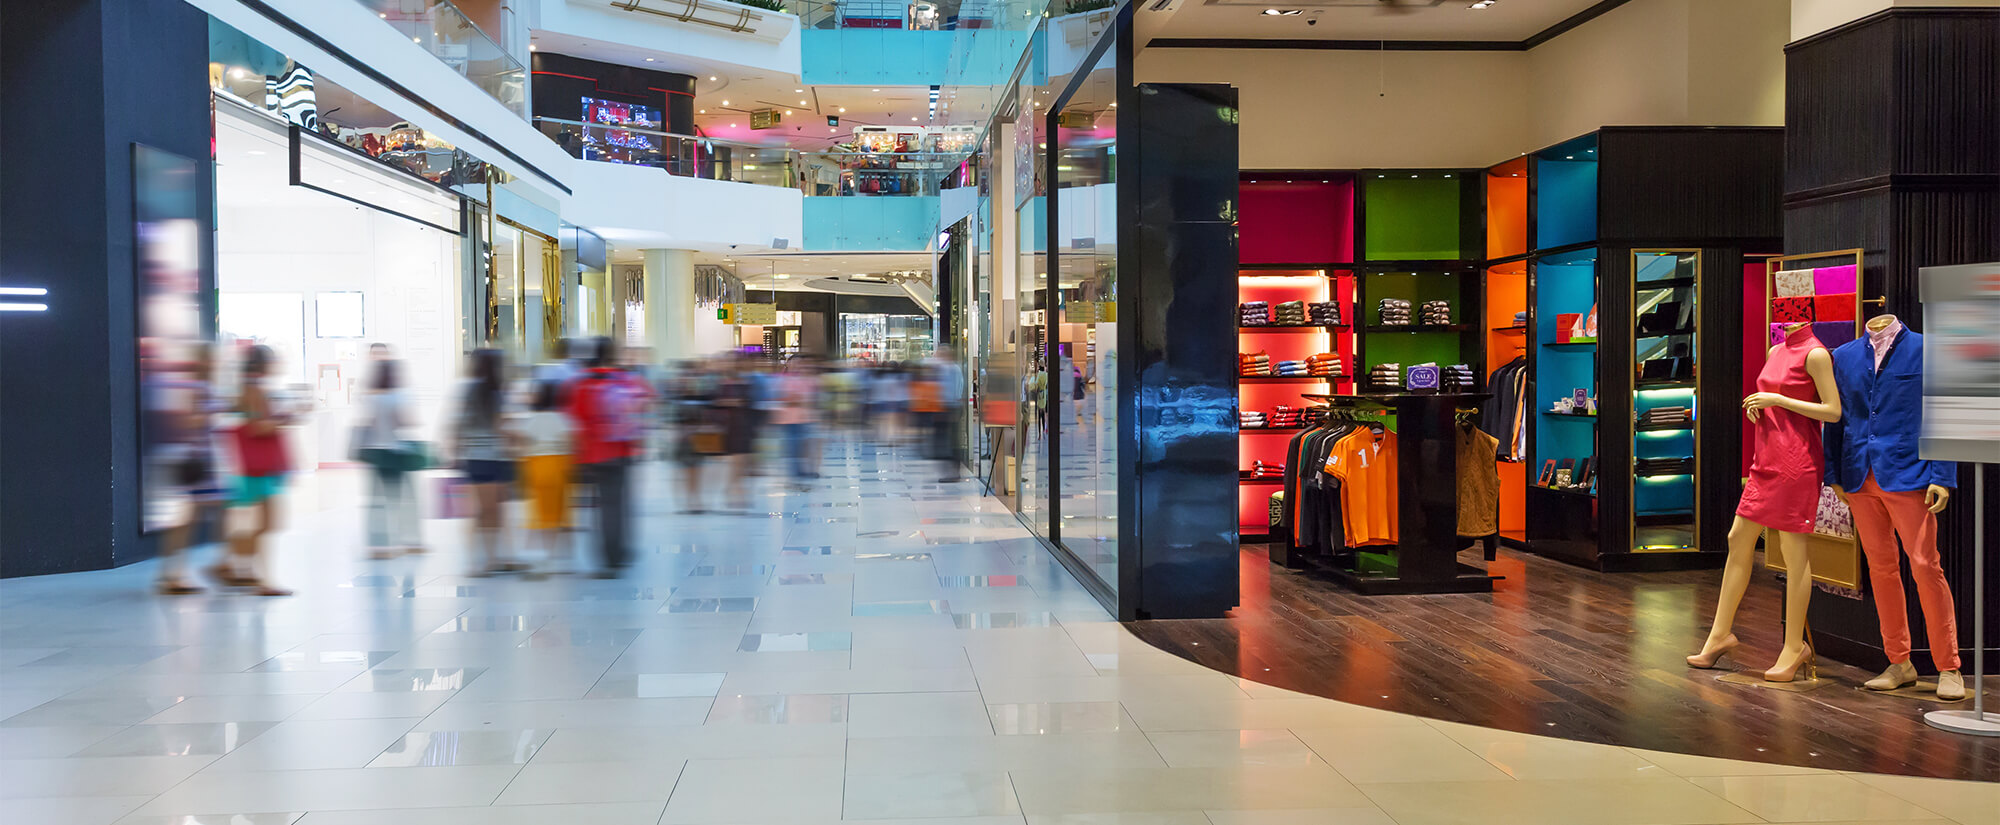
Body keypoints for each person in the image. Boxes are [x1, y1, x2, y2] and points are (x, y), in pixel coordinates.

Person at [1687, 323, 1842, 682]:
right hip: (1766, 458)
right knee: (1737, 537)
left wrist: (1778, 401)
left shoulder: (1816, 354)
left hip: (1797, 463)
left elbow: (1832, 411)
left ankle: (1794, 647)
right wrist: (1759, 407)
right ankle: (1719, 634)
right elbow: (1770, 396)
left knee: (1794, 549)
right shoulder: (1776, 351)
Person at [568, 336, 651, 576]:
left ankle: (608, 558)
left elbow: (576, 420)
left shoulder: (583, 383)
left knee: (602, 507)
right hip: (623, 449)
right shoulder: (625, 380)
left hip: (594, 454)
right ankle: (621, 552)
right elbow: (646, 400)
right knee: (621, 503)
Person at [215, 344, 292, 596]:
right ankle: (258, 577)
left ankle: (231, 563)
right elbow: (257, 427)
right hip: (258, 468)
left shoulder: (246, 388)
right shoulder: (254, 389)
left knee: (264, 523)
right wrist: (284, 419)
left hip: (252, 467)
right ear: (263, 364)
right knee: (269, 523)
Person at [155, 342, 226, 595]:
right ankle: (173, 575)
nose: (216, 364)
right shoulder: (197, 388)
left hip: (201, 460)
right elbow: (189, 420)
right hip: (197, 461)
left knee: (195, 516)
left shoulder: (200, 387)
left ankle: (173, 574)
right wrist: (209, 415)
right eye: (212, 360)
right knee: (193, 517)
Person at [452, 348, 525, 577]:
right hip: (495, 457)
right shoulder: (495, 393)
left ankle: (486, 560)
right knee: (493, 512)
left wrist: (455, 452)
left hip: (474, 457)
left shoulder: (467, 391)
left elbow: (458, 425)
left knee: (483, 512)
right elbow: (502, 426)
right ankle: (489, 560)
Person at [356, 344, 422, 560]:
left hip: (375, 451)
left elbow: (367, 421)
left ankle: (378, 545)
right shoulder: (396, 396)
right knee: (403, 497)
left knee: (377, 499)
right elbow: (406, 421)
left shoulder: (369, 395)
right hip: (394, 451)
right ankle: (409, 540)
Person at [516, 380, 575, 573]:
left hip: (536, 468)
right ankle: (561, 554)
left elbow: (523, 443)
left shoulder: (531, 420)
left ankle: (542, 553)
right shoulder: (562, 419)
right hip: (558, 466)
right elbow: (569, 441)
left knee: (539, 513)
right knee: (559, 512)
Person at [715, 356, 758, 506]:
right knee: (736, 461)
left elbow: (749, 402)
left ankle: (734, 489)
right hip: (730, 427)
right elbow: (717, 403)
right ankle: (736, 491)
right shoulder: (724, 385)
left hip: (744, 425)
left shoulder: (747, 384)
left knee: (743, 462)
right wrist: (734, 402)